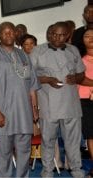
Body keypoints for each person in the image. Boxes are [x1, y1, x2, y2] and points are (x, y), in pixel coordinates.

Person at [0, 21, 40, 177]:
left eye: (11, 32)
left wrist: (35, 109)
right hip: (3, 114)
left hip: (24, 113)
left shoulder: (23, 55)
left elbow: (32, 86)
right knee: (4, 154)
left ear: (15, 34)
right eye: (4, 32)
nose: (8, 34)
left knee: (24, 151)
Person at [30, 21, 85, 178]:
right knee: (48, 140)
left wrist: (76, 77)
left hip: (71, 104)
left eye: (61, 35)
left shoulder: (73, 50)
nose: (57, 37)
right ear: (50, 33)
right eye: (54, 34)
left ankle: (76, 169)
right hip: (48, 104)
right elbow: (29, 77)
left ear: (67, 35)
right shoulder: (37, 51)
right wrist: (47, 79)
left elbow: (81, 74)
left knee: (73, 141)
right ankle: (47, 170)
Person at [78, 29, 93, 177]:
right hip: (85, 101)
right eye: (87, 36)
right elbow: (80, 78)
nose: (90, 38)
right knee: (91, 135)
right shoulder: (79, 60)